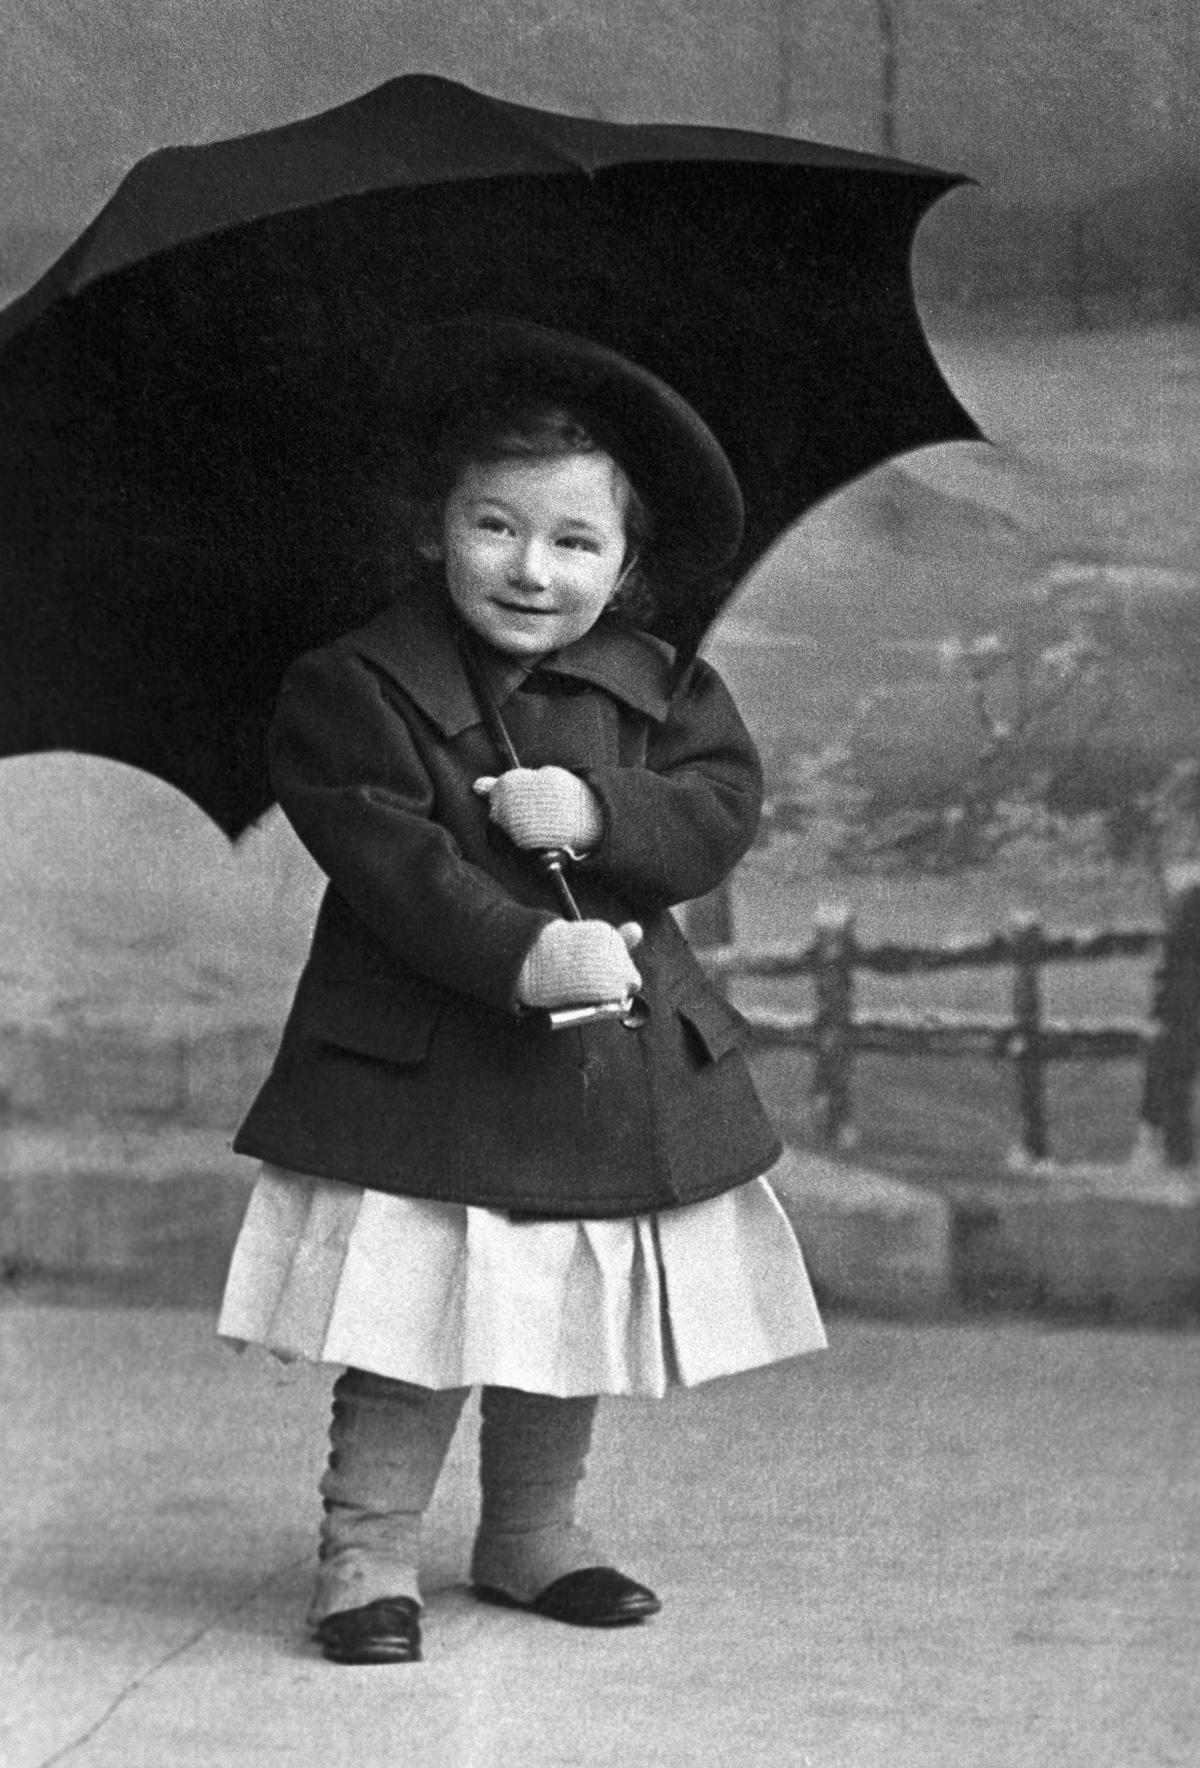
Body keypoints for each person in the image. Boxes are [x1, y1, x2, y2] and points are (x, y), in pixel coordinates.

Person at [218, 317, 826, 1666]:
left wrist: (602, 813)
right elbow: (390, 860)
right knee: (417, 1309)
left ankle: (533, 1532)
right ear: (434, 527)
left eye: (574, 543)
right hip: (431, 1065)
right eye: (495, 526)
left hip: (598, 1071)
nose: (530, 569)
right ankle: (366, 1552)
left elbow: (720, 811)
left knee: (565, 1299)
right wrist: (517, 946)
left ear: (627, 560)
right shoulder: (356, 686)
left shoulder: (659, 686)